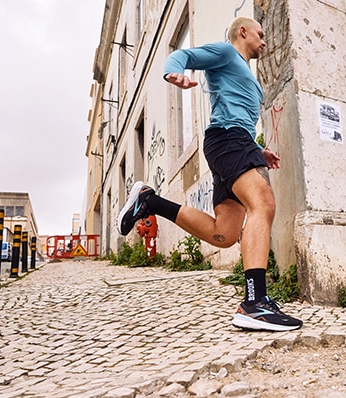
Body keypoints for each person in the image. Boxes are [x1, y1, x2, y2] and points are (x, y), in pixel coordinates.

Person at [117, 16, 302, 332]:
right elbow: (183, 55)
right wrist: (174, 71)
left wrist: (259, 151)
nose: (264, 40)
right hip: (228, 140)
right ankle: (255, 303)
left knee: (224, 234)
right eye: (260, 34)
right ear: (243, 32)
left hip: (235, 142)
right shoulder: (227, 52)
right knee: (263, 203)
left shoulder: (244, 72)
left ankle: (150, 202)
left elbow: (237, 113)